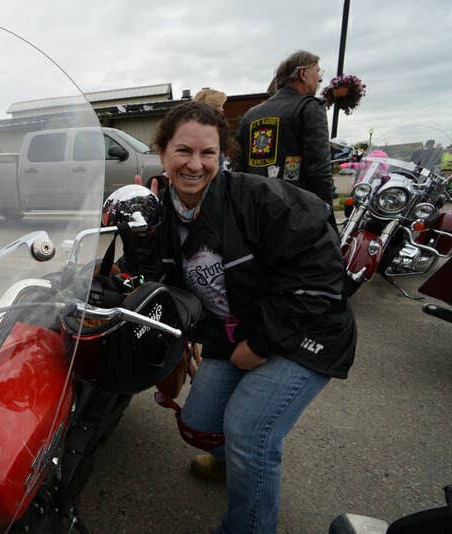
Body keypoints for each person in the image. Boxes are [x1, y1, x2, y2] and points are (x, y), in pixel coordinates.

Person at [127, 102, 356, 534]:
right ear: (162, 152)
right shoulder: (161, 209)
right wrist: (140, 236)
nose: (195, 164)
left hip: (306, 331)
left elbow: (323, 275)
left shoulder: (260, 199)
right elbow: (157, 282)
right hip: (236, 332)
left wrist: (262, 344)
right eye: (183, 151)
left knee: (249, 431)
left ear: (223, 155)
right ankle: (234, 464)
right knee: (198, 424)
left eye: (208, 153)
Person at [235, 50, 333, 205]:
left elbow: (239, 168)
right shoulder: (309, 108)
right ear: (303, 73)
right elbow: (319, 168)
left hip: (254, 207)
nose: (320, 79)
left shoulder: (250, 115)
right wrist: (326, 210)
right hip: (296, 209)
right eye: (317, 72)